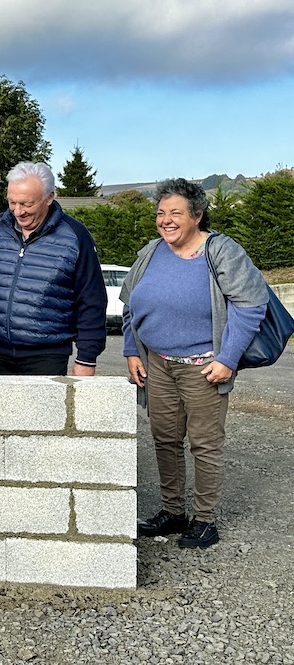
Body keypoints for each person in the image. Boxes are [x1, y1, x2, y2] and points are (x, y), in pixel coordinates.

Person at [122, 178, 268, 549]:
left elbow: (251, 306)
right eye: (160, 213)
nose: (166, 220)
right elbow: (130, 307)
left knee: (204, 444)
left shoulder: (221, 251)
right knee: (165, 440)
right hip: (158, 364)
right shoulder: (151, 252)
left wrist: (227, 359)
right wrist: (132, 351)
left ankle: (204, 520)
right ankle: (173, 512)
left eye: (175, 213)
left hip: (203, 366)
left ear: (197, 215)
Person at [0, 161, 106, 376]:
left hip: (47, 355)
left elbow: (92, 298)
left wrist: (87, 359)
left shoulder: (76, 236)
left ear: (49, 197)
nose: (18, 211)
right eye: (12, 202)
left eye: (27, 204)